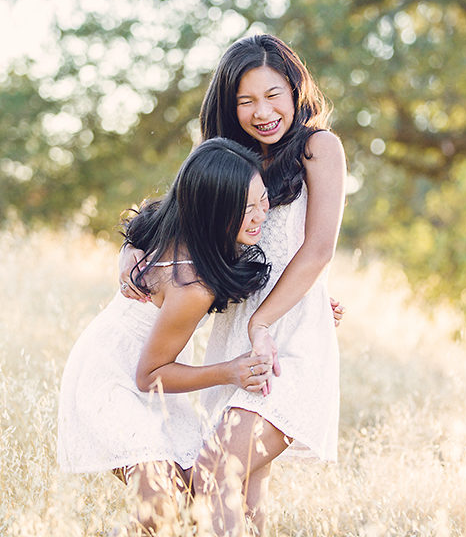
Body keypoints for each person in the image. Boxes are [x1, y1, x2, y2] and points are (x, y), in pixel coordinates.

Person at [122, 34, 346, 536]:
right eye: (246, 101)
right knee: (244, 497)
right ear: (228, 105)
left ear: (295, 91)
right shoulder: (225, 157)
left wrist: (271, 316)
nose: (262, 111)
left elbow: (317, 250)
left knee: (216, 467)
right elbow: (164, 219)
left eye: (273, 95)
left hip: (290, 343)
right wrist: (129, 254)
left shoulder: (319, 148)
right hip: (237, 340)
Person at [57, 138, 277, 534]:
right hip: (112, 375)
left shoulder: (183, 224)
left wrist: (314, 304)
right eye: (247, 209)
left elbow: (145, 218)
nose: (262, 215)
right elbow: (150, 375)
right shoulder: (192, 284)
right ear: (214, 212)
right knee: (157, 495)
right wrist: (231, 371)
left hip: (143, 369)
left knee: (203, 487)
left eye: (263, 200)